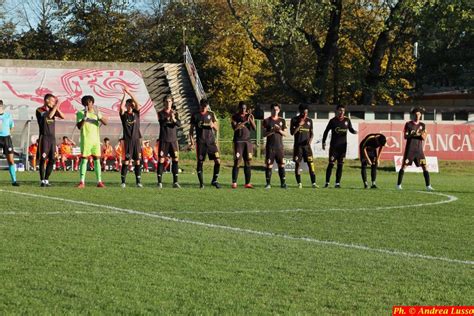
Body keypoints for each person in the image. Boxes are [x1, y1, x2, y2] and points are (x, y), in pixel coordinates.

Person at [397, 107, 434, 191]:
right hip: (410, 150)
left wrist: (419, 135)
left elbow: (424, 137)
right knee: (404, 166)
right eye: (416, 114)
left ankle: (428, 186)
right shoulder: (408, 124)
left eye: (419, 114)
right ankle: (398, 185)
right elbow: (405, 136)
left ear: (421, 115)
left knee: (424, 166)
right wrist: (415, 134)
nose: (417, 116)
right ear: (413, 115)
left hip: (419, 151)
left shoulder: (422, 125)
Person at [76, 95, 108, 188]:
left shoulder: (96, 113)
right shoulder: (80, 113)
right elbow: (79, 127)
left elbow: (105, 123)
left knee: (97, 160)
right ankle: (82, 182)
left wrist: (99, 116)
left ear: (92, 103)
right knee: (84, 160)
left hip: (95, 141)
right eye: (85, 103)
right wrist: (84, 118)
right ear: (83, 104)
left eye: (89, 102)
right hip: (86, 140)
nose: (88, 104)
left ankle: (99, 182)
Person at [322, 105, 357, 188]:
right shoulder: (333, 121)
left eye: (343, 110)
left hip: (342, 147)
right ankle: (327, 183)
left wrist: (354, 131)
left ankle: (337, 183)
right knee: (331, 164)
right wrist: (323, 142)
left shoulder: (347, 120)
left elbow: (350, 129)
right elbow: (326, 131)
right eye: (340, 110)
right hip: (334, 147)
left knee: (340, 165)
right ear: (337, 111)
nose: (342, 112)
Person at [189, 99, 221, 189]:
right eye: (203, 106)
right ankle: (201, 184)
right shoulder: (195, 115)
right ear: (200, 106)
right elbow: (191, 131)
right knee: (200, 162)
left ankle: (214, 180)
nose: (204, 108)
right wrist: (192, 142)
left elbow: (217, 128)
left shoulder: (211, 114)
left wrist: (213, 125)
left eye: (205, 107)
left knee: (218, 161)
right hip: (201, 143)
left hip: (211, 142)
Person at [36, 93, 64, 186]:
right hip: (44, 137)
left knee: (52, 159)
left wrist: (57, 107)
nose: (53, 103)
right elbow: (49, 116)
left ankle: (47, 180)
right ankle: (42, 180)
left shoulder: (53, 109)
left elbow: (63, 116)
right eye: (52, 101)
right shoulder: (40, 110)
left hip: (52, 138)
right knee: (43, 159)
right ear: (47, 100)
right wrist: (56, 106)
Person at [119, 87, 142, 188]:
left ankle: (138, 182)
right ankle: (123, 182)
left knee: (137, 161)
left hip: (136, 140)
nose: (131, 105)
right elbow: (121, 108)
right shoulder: (124, 115)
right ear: (127, 105)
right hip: (127, 141)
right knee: (126, 161)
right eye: (129, 104)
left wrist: (130, 93)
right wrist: (125, 95)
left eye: (132, 104)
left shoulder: (136, 114)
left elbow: (138, 105)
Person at [157, 94, 181, 188]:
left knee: (175, 159)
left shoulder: (176, 113)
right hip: (164, 140)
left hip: (173, 140)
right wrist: (169, 118)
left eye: (170, 101)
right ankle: (159, 182)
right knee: (161, 159)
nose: (168, 103)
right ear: (163, 102)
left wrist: (174, 118)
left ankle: (175, 182)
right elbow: (162, 123)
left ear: (172, 102)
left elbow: (178, 124)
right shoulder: (160, 113)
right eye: (166, 101)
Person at [290, 104, 317, 188]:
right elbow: (292, 133)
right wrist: (299, 125)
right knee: (298, 164)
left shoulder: (310, 121)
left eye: (306, 113)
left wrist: (310, 140)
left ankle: (313, 183)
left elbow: (312, 133)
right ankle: (299, 183)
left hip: (307, 147)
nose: (305, 114)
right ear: (300, 111)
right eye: (303, 112)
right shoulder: (294, 120)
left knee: (311, 163)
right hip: (298, 147)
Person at [231, 101, 256, 189]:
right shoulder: (235, 116)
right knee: (237, 161)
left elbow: (254, 128)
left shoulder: (249, 116)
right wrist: (244, 122)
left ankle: (247, 183)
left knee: (248, 161)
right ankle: (234, 182)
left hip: (247, 142)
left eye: (245, 108)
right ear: (239, 108)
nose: (243, 110)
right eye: (242, 108)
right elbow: (235, 128)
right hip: (238, 142)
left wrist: (250, 119)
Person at [263, 103, 288, 189]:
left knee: (281, 165)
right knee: (269, 165)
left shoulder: (282, 120)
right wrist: (272, 130)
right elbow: (263, 134)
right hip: (270, 147)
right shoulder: (266, 121)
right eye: (273, 109)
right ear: (271, 110)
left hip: (279, 147)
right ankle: (268, 184)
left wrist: (279, 130)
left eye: (277, 109)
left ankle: (283, 183)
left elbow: (285, 134)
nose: (275, 111)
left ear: (279, 110)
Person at [0, 100, 19, 186]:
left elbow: (11, 126)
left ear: (1, 106)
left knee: (11, 160)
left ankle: (14, 181)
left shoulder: (8, 115)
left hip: (6, 139)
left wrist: (8, 134)